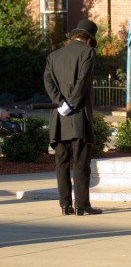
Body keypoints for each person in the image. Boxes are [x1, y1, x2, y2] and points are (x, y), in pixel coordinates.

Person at [44, 19, 102, 216]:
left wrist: (60, 103)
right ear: (88, 39)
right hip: (78, 117)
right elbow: (82, 81)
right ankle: (82, 205)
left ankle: (64, 205)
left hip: (59, 119)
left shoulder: (54, 56)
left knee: (61, 163)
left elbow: (48, 80)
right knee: (80, 163)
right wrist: (71, 104)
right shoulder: (88, 53)